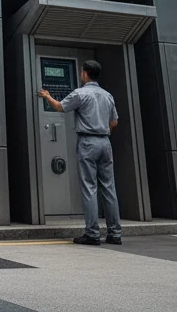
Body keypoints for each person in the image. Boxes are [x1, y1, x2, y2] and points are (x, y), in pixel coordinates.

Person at [38, 59, 122, 246]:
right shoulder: (107, 95)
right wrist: (103, 131)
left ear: (84, 74)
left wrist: (47, 96)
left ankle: (92, 234)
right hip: (105, 142)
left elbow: (59, 107)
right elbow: (114, 122)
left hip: (88, 142)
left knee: (89, 188)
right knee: (109, 187)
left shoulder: (81, 93)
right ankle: (115, 234)